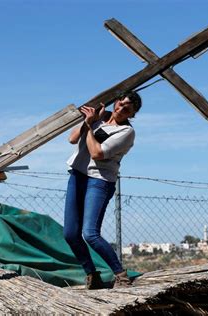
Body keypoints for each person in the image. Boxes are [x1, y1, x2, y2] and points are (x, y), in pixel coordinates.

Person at [63, 91, 142, 290]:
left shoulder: (126, 133)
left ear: (132, 114)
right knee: (70, 234)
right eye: (120, 103)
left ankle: (121, 275)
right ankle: (92, 275)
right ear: (116, 102)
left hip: (99, 181)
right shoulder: (100, 116)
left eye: (127, 108)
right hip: (77, 175)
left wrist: (90, 126)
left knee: (90, 233)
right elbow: (72, 139)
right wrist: (88, 121)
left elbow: (97, 153)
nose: (121, 109)